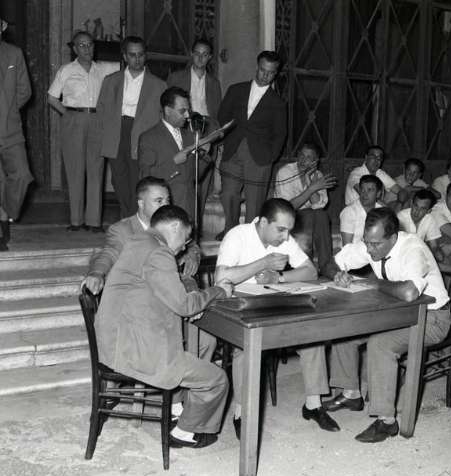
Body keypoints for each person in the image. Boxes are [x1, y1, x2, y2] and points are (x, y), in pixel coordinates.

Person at [95, 205, 232, 448]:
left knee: (199, 346)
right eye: (186, 238)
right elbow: (184, 306)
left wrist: (189, 300)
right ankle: (183, 433)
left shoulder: (140, 241)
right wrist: (219, 291)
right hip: (134, 349)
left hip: (115, 342)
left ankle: (178, 408)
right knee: (217, 378)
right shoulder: (159, 252)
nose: (184, 246)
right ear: (175, 226)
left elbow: (157, 291)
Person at [324, 207, 450, 443]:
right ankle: (351, 393)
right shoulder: (373, 242)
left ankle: (387, 422)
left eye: (375, 244)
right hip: (396, 313)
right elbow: (330, 263)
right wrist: (336, 274)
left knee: (381, 344)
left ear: (393, 238)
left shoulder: (412, 249)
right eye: (366, 242)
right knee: (345, 329)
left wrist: (374, 283)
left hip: (431, 318)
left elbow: (410, 292)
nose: (369, 249)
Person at [215, 198, 338, 438]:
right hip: (241, 306)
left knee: (312, 335)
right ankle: (241, 412)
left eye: (288, 230)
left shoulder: (284, 238)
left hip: (273, 302)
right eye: (281, 229)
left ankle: (313, 405)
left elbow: (311, 271)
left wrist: (279, 278)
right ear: (263, 222)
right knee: (245, 348)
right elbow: (222, 277)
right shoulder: (237, 235)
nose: (285, 236)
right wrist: (263, 263)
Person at [48, 31, 118, 232]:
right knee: (75, 169)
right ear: (74, 48)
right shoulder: (66, 70)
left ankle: (94, 221)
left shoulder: (102, 69)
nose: (87, 49)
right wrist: (68, 115)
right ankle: (76, 220)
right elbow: (52, 98)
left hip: (97, 119)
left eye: (90, 45)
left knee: (96, 169)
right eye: (82, 45)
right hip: (74, 119)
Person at [216, 51, 287, 240]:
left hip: (259, 157)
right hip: (233, 150)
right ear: (257, 67)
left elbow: (280, 134)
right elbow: (222, 117)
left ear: (276, 73)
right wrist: (225, 141)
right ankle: (230, 231)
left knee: (255, 201)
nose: (265, 75)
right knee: (228, 194)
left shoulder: (277, 102)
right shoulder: (236, 90)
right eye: (263, 70)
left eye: (270, 73)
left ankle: (250, 237)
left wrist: (270, 157)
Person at [96, 36, 166, 218]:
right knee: (118, 179)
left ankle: (135, 219)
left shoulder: (158, 85)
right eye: (132, 55)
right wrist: (104, 134)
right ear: (125, 56)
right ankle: (127, 217)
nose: (137, 59)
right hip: (116, 132)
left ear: (145, 55)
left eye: (140, 55)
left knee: (138, 180)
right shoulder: (111, 80)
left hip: (142, 134)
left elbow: (162, 116)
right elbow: (101, 109)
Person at [167, 39, 222, 225]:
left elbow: (216, 112)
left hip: (205, 128)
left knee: (203, 177)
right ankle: (179, 220)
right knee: (183, 174)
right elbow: (168, 107)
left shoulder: (214, 83)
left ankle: (196, 223)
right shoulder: (176, 77)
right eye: (197, 53)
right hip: (184, 126)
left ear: (210, 57)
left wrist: (215, 135)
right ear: (191, 54)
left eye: (205, 55)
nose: (200, 58)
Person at [273, 143, 337, 273]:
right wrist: (312, 189)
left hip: (309, 219)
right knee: (308, 214)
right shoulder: (285, 172)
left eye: (308, 157)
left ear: (315, 161)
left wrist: (308, 180)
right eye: (301, 155)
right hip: (285, 219)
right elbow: (287, 208)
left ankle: (326, 265)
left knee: (321, 215)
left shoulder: (318, 175)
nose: (303, 160)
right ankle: (305, 266)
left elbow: (319, 205)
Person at [138, 87, 198, 218]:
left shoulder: (190, 136)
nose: (187, 116)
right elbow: (146, 178)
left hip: (189, 206)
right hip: (165, 210)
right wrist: (173, 163)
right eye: (182, 111)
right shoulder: (149, 138)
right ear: (167, 111)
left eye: (188, 110)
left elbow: (196, 175)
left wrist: (204, 154)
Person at [0, 18, 33, 250]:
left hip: (11, 130)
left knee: (22, 175)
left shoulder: (14, 53)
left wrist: (7, 110)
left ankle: (6, 213)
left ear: (2, 27)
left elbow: (24, 91)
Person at [397, 189, 442, 261]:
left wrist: (437, 254)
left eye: (422, 209)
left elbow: (434, 246)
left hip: (419, 255)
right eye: (416, 206)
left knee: (440, 257)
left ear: (428, 211)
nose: (417, 211)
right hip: (402, 255)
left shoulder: (429, 219)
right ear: (411, 203)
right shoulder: (401, 217)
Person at [340, 175, 383, 245]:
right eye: (362, 190)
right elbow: (347, 247)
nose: (364, 194)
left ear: (378, 194)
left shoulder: (382, 211)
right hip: (355, 251)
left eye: (369, 190)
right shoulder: (349, 212)